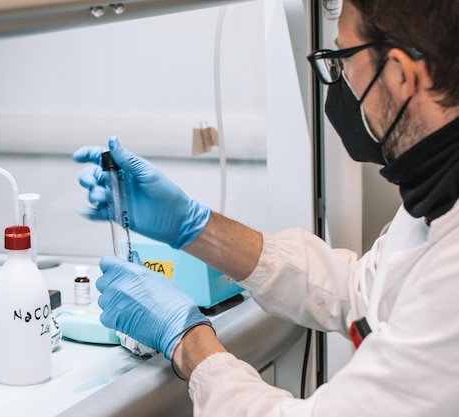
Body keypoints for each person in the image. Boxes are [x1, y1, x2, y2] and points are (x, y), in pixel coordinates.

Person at [72, 0, 459, 415]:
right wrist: (194, 227)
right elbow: (359, 288)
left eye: (342, 59)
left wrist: (186, 339)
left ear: (401, 74)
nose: (338, 80)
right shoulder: (437, 196)